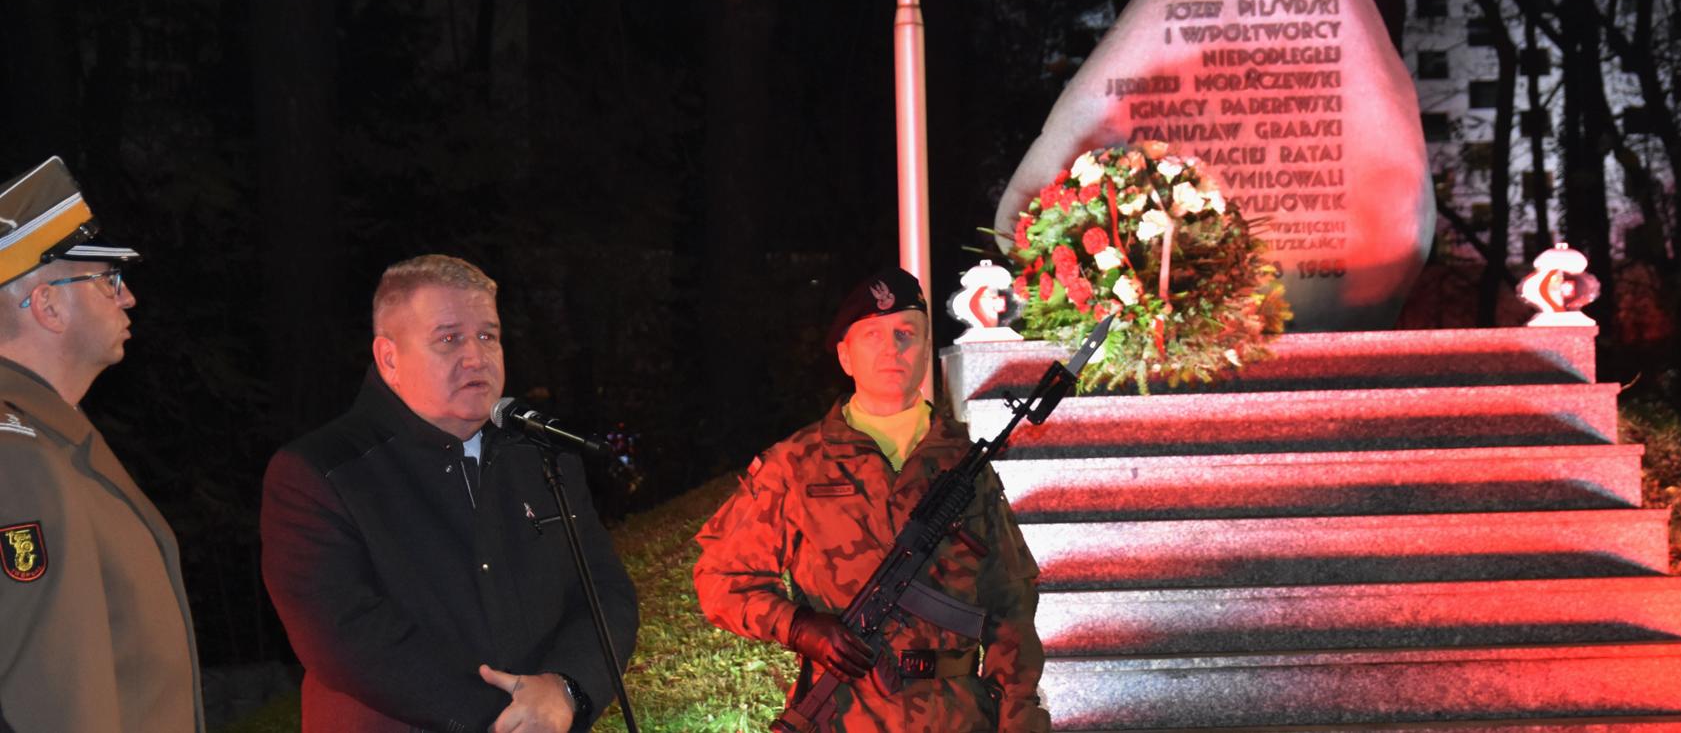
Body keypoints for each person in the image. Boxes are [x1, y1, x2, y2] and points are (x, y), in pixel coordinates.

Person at [260, 255, 637, 733]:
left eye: (488, 335)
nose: (476, 356)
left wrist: (565, 688)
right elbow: (343, 635)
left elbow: (606, 593)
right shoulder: (321, 472)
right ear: (389, 358)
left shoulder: (542, 458)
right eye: (448, 338)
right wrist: (506, 719)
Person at [694, 268, 1051, 732]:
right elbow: (721, 578)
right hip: (843, 713)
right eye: (872, 335)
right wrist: (799, 625)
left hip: (956, 717)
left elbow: (1012, 605)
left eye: (907, 333)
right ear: (845, 356)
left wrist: (1019, 716)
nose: (892, 348)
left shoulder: (966, 468)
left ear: (927, 350)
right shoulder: (797, 464)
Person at [0, 156, 203, 731]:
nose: (129, 297)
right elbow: (47, 692)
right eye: (107, 279)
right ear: (47, 306)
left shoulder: (55, 437)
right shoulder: (17, 454)